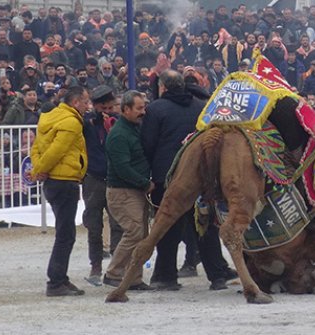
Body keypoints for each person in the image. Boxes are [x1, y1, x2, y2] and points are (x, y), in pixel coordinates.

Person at [142, 70, 235, 291]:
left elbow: (147, 143)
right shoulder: (199, 107)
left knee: (168, 226)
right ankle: (217, 275)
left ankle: (166, 275)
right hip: (202, 176)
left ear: (163, 87)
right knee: (205, 226)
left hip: (169, 176)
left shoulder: (155, 109)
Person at [30, 86, 90, 297]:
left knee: (65, 233)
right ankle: (56, 281)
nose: (87, 106)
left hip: (53, 182)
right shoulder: (71, 122)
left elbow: (36, 148)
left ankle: (60, 279)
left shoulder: (49, 119)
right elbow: (57, 150)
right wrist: (40, 170)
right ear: (75, 102)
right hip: (65, 181)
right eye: (85, 101)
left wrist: (39, 169)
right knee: (66, 235)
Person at [102, 90, 154, 291]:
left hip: (134, 191)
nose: (143, 112)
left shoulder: (133, 129)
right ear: (125, 110)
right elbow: (122, 168)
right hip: (123, 192)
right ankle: (114, 273)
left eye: (144, 107)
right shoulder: (119, 135)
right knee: (135, 232)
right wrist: (144, 183)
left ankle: (133, 277)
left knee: (141, 235)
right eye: (139, 108)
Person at [81, 85, 123, 286]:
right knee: (94, 224)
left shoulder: (119, 122)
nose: (106, 110)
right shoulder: (88, 123)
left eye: (109, 106)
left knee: (118, 224)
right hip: (94, 177)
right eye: (102, 107)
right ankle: (95, 265)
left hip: (114, 178)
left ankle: (116, 267)